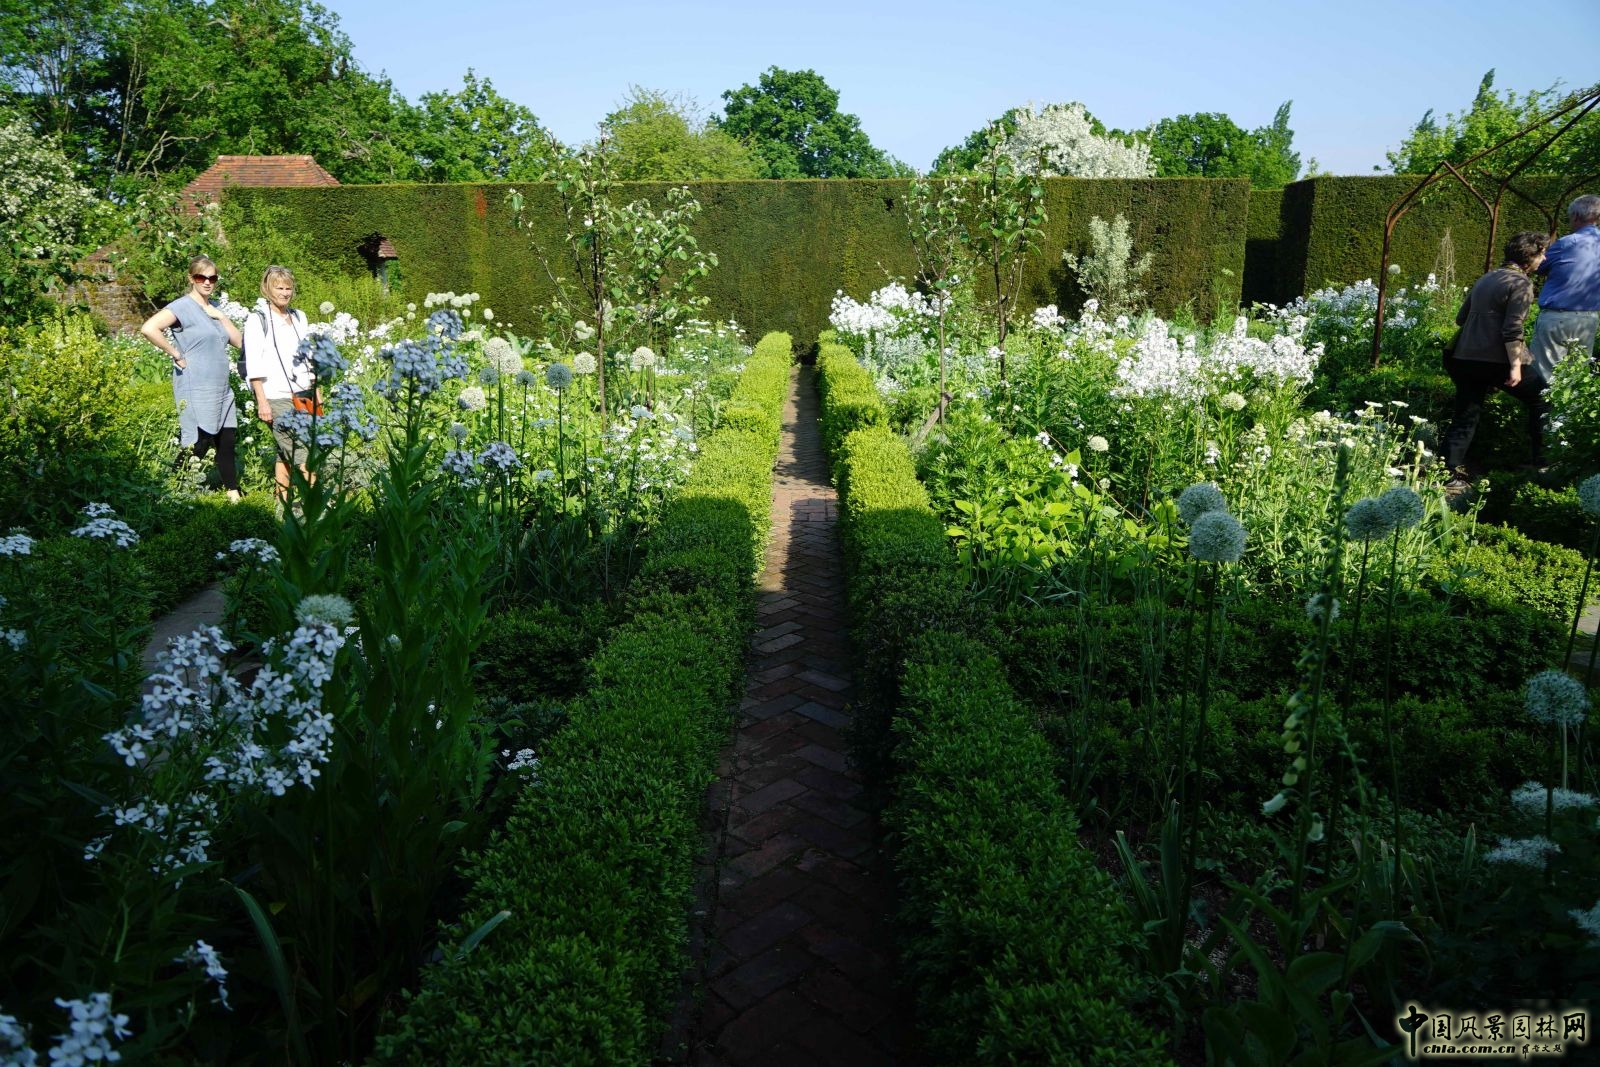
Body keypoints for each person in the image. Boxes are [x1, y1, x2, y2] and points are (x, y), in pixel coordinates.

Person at [1441, 231, 1551, 492]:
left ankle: (1446, 473)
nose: (1544, 259)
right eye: (1542, 254)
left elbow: (1460, 318)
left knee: (1466, 414)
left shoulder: (1487, 277)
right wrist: (1515, 367)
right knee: (1543, 398)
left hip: (1464, 357)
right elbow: (1513, 329)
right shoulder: (1521, 283)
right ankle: (1543, 462)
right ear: (1530, 257)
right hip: (1496, 360)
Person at [140, 255, 244, 501]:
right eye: (201, 277)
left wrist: (220, 316)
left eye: (212, 278)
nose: (207, 282)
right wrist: (175, 353)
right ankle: (172, 490)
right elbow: (148, 328)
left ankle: (234, 495)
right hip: (196, 383)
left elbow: (240, 343)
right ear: (192, 279)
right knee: (200, 441)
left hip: (221, 386)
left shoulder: (215, 307)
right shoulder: (182, 306)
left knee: (227, 440)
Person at [242, 265, 316, 500]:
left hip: (304, 394)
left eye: (288, 288)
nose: (285, 293)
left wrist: (317, 392)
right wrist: (262, 402)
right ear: (267, 289)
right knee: (302, 450)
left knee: (285, 452)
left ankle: (281, 502)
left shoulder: (299, 316)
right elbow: (253, 363)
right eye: (279, 288)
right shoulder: (257, 320)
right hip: (275, 395)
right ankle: (319, 506)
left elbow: (309, 356)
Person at [1530, 194, 1600, 381]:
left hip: (1558, 317)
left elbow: (1537, 266)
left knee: (1544, 376)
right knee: (1576, 377)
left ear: (1576, 216)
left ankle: (1543, 411)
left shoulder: (1567, 243)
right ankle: (1570, 411)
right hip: (1589, 319)